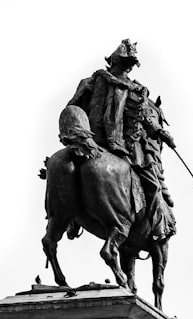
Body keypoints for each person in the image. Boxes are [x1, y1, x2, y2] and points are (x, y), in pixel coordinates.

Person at [66, 40, 177, 241]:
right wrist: (160, 131)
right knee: (153, 184)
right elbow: (145, 116)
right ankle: (157, 227)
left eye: (130, 63)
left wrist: (160, 132)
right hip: (123, 146)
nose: (128, 67)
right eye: (126, 62)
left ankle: (71, 219)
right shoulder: (116, 85)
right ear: (115, 61)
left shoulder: (100, 81)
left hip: (97, 139)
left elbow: (74, 107)